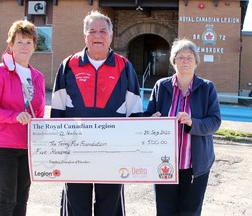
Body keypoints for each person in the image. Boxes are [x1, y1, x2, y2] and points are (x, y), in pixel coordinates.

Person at [50, 10, 142, 216]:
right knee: (76, 206)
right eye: (92, 31)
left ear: (111, 35)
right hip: (75, 154)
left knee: (110, 208)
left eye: (103, 31)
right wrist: (56, 151)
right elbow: (57, 112)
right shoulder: (68, 66)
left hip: (113, 154)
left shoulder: (125, 67)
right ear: (84, 35)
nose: (97, 36)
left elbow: (135, 112)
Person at [143, 38, 221, 216]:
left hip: (195, 166)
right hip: (164, 165)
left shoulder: (207, 88)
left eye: (189, 57)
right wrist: (152, 118)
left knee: (190, 213)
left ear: (196, 62)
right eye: (180, 57)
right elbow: (147, 116)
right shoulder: (161, 86)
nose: (185, 61)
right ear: (173, 61)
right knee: (165, 211)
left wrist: (193, 123)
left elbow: (215, 122)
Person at [0, 20, 46, 216]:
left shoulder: (38, 77)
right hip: (3, 146)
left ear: (34, 46)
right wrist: (14, 116)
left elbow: (39, 113)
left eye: (29, 42)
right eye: (19, 42)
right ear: (10, 45)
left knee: (22, 200)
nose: (24, 47)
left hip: (27, 147)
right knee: (7, 200)